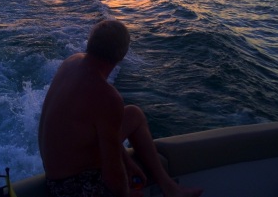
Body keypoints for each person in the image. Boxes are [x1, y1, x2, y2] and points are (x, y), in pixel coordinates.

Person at [38, 20, 203, 197]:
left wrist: (125, 159)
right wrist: (127, 192)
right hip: (70, 187)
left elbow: (96, 132)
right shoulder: (107, 96)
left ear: (91, 43)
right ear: (122, 55)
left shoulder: (72, 62)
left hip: (56, 169)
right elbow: (113, 177)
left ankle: (169, 187)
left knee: (133, 115)